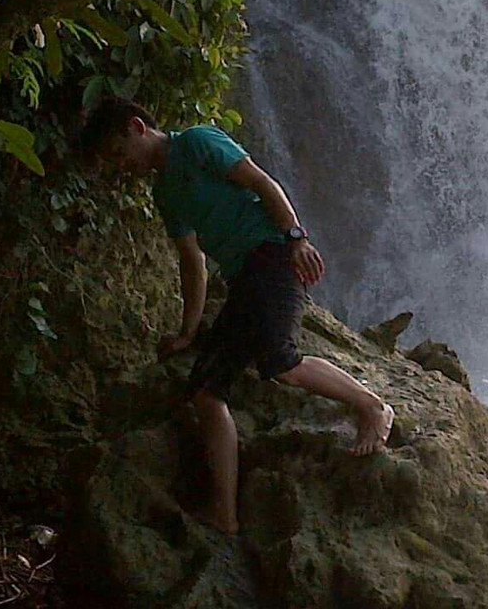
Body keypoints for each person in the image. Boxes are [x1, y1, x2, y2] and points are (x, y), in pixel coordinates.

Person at [80, 97, 394, 535]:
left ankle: (373, 405)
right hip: (244, 281)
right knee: (206, 392)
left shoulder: (198, 141)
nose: (121, 166)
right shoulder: (164, 192)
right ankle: (224, 515)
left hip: (272, 258)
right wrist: (188, 332)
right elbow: (193, 263)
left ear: (137, 127)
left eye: (117, 153)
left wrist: (296, 238)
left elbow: (263, 183)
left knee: (277, 358)